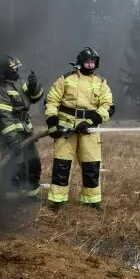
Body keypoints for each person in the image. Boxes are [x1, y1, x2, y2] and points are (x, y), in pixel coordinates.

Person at [44, 47, 113, 210]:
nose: (91, 65)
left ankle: (92, 200)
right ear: (80, 62)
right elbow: (51, 101)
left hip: (89, 130)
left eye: (93, 62)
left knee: (91, 165)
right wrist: (53, 123)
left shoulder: (101, 83)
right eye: (88, 62)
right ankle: (57, 200)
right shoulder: (66, 79)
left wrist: (91, 121)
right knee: (62, 164)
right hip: (65, 129)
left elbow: (108, 106)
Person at [0, 54, 43, 200]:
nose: (16, 71)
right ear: (5, 72)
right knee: (14, 166)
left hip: (26, 131)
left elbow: (34, 98)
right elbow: (4, 118)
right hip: (11, 135)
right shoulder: (0, 90)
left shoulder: (19, 82)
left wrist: (34, 86)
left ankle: (31, 194)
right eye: (12, 69)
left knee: (32, 163)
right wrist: (13, 140)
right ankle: (12, 199)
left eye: (16, 68)